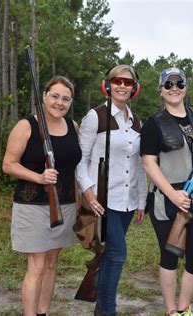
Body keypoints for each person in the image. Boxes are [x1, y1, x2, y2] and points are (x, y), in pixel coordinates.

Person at [140, 67, 193, 316]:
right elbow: (148, 163)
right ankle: (170, 311)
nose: (174, 88)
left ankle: (184, 309)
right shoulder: (154, 124)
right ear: (160, 90)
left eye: (179, 83)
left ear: (185, 87)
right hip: (166, 199)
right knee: (170, 257)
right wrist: (172, 194)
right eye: (168, 84)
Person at [2, 76, 81, 316]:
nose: (60, 102)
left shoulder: (73, 127)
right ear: (44, 96)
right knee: (36, 266)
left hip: (65, 205)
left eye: (65, 98)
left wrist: (80, 202)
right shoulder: (26, 126)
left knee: (51, 264)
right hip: (32, 206)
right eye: (55, 96)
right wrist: (39, 178)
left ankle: (43, 312)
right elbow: (8, 164)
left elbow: (75, 169)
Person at [76, 65, 147, 316]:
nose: (122, 86)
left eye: (128, 83)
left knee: (108, 256)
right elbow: (80, 161)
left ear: (134, 89)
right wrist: (89, 192)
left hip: (127, 201)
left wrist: (141, 200)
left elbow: (139, 164)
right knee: (117, 255)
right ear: (107, 85)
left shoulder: (136, 120)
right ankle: (108, 311)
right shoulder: (95, 117)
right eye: (117, 81)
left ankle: (99, 307)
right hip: (103, 201)